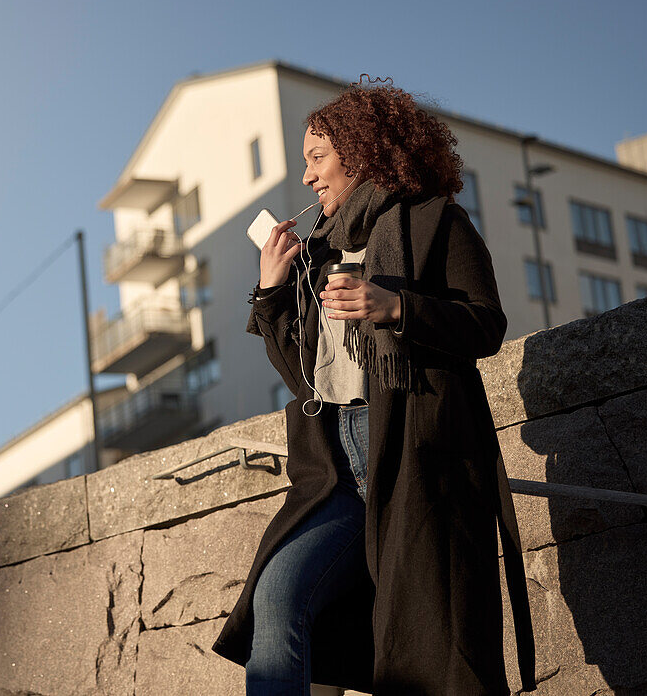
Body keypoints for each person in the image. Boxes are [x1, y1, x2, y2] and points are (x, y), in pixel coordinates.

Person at [210, 79, 536, 695]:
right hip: (334, 471)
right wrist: (273, 289)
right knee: (278, 601)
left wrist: (397, 308)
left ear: (359, 153)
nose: (307, 177)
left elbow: (487, 324)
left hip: (415, 459)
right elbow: (304, 378)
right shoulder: (317, 253)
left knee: (425, 656)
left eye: (316, 158)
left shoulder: (436, 221)